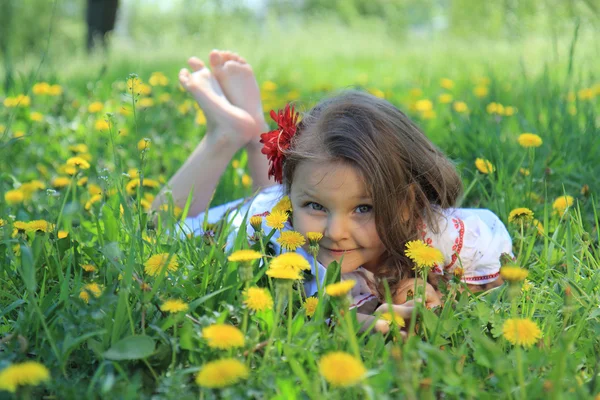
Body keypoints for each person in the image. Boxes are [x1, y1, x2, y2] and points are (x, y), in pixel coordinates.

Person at [152, 50, 512, 333]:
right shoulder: (282, 241)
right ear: (291, 196)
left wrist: (441, 291)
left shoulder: (443, 233)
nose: (335, 233)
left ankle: (255, 131)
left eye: (363, 209)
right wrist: (366, 322)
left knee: (300, 193)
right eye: (317, 206)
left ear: (408, 204)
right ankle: (226, 135)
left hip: (289, 200)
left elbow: (491, 272)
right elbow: (323, 313)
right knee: (161, 231)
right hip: (254, 224)